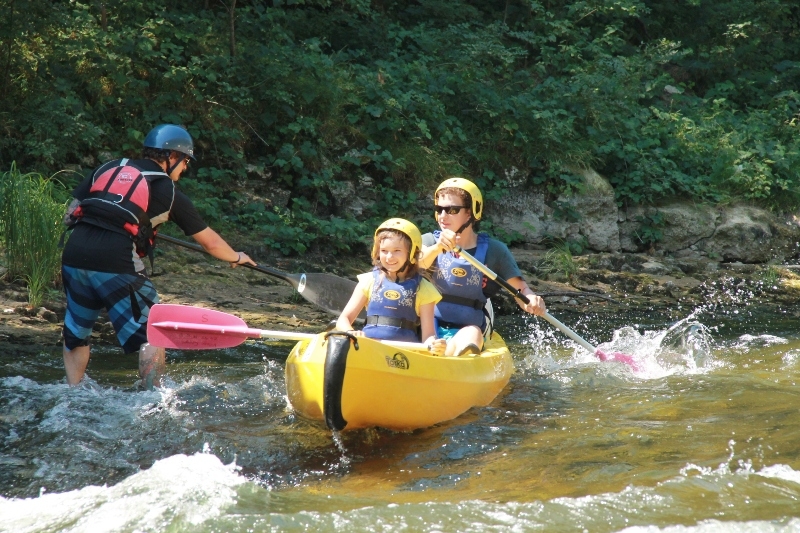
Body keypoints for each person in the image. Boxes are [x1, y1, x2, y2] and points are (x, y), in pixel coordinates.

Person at [60, 124, 256, 389]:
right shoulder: (167, 190)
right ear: (171, 157)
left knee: (76, 334)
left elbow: (70, 214)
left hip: (74, 254)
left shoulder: (108, 168)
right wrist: (236, 256)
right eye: (185, 160)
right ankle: (153, 397)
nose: (185, 168)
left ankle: (72, 393)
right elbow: (210, 242)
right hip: (116, 260)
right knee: (152, 332)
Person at [419, 177, 546, 357]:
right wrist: (437, 248)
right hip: (429, 327)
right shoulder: (429, 242)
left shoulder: (495, 251)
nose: (443, 216)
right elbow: (414, 263)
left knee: (472, 333)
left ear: (470, 213)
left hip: (469, 328)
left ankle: (460, 359)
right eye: (439, 209)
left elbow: (520, 290)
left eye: (452, 210)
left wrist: (532, 299)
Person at [336, 218, 446, 355]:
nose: (389, 257)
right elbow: (343, 320)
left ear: (412, 253)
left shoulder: (423, 289)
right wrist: (351, 332)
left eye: (397, 250)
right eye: (384, 250)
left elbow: (428, 335)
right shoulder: (368, 281)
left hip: (403, 355)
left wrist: (434, 344)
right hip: (369, 350)